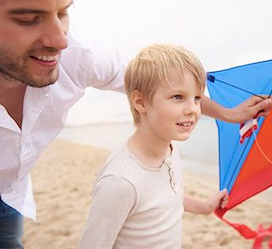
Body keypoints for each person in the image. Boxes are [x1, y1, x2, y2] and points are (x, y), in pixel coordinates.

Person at [0, 0, 272, 248]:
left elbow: (159, 85)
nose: (61, 40)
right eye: (27, 18)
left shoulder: (83, 54)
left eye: (63, 12)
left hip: (7, 192)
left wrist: (229, 115)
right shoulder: (120, 181)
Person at [78, 44, 229, 248]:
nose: (193, 109)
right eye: (178, 97)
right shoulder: (120, 182)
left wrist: (204, 207)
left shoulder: (171, 148)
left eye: (196, 98)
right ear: (140, 102)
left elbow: (164, 198)